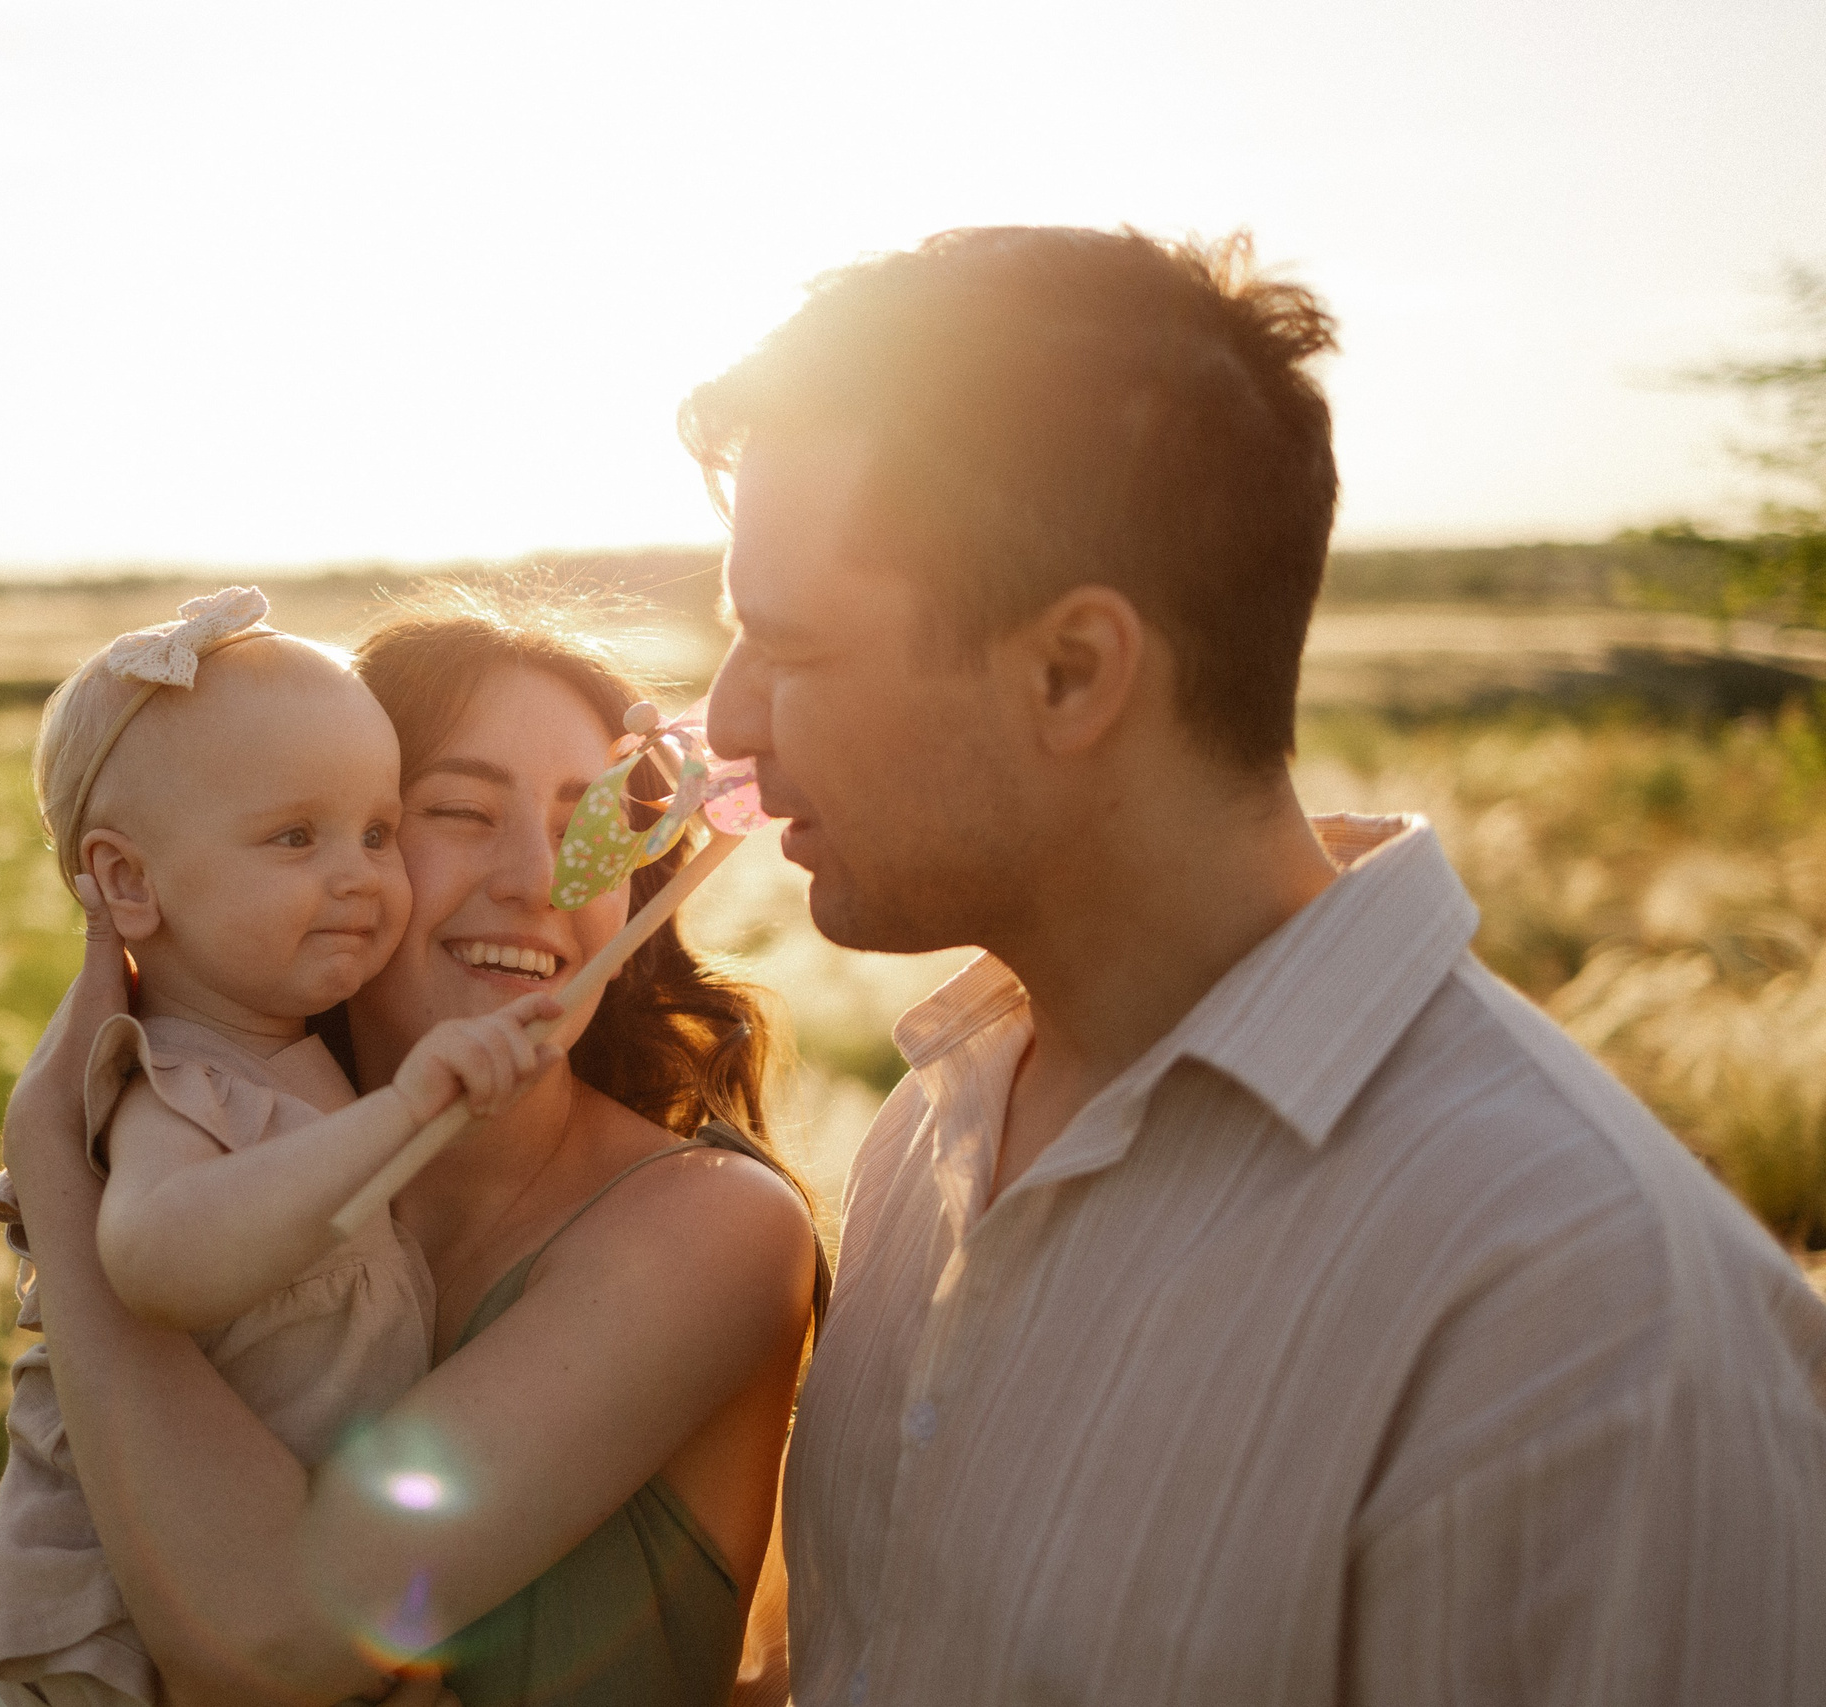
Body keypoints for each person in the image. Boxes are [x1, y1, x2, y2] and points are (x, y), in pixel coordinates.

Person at [686, 224, 1826, 1703]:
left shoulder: (1584, 1317)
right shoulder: (936, 1125)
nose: (727, 722)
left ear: (1073, 671)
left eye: (790, 648)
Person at [0, 587, 824, 1706]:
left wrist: (56, 1169)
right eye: (459, 811)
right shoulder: (230, 1174)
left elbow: (274, 1640)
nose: (540, 878)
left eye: (594, 821)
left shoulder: (713, 1228)